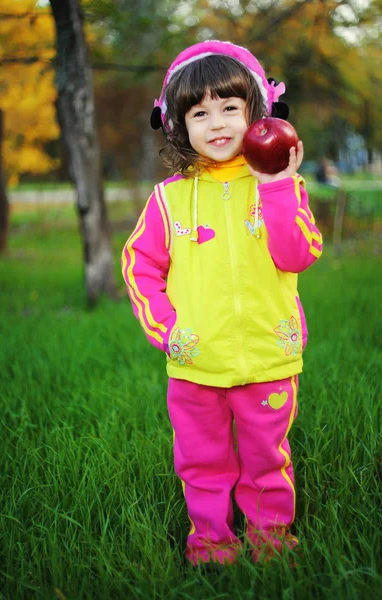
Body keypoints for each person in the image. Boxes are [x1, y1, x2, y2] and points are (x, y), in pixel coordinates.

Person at [122, 40, 323, 567]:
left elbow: (298, 254)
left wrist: (277, 186)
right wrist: (169, 331)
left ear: (257, 112)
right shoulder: (168, 199)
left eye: (230, 107)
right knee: (203, 461)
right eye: (200, 112)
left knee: (266, 458)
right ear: (176, 124)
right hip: (195, 361)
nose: (217, 123)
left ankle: (270, 538)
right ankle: (211, 542)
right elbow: (140, 267)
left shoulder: (282, 186)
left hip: (266, 356)